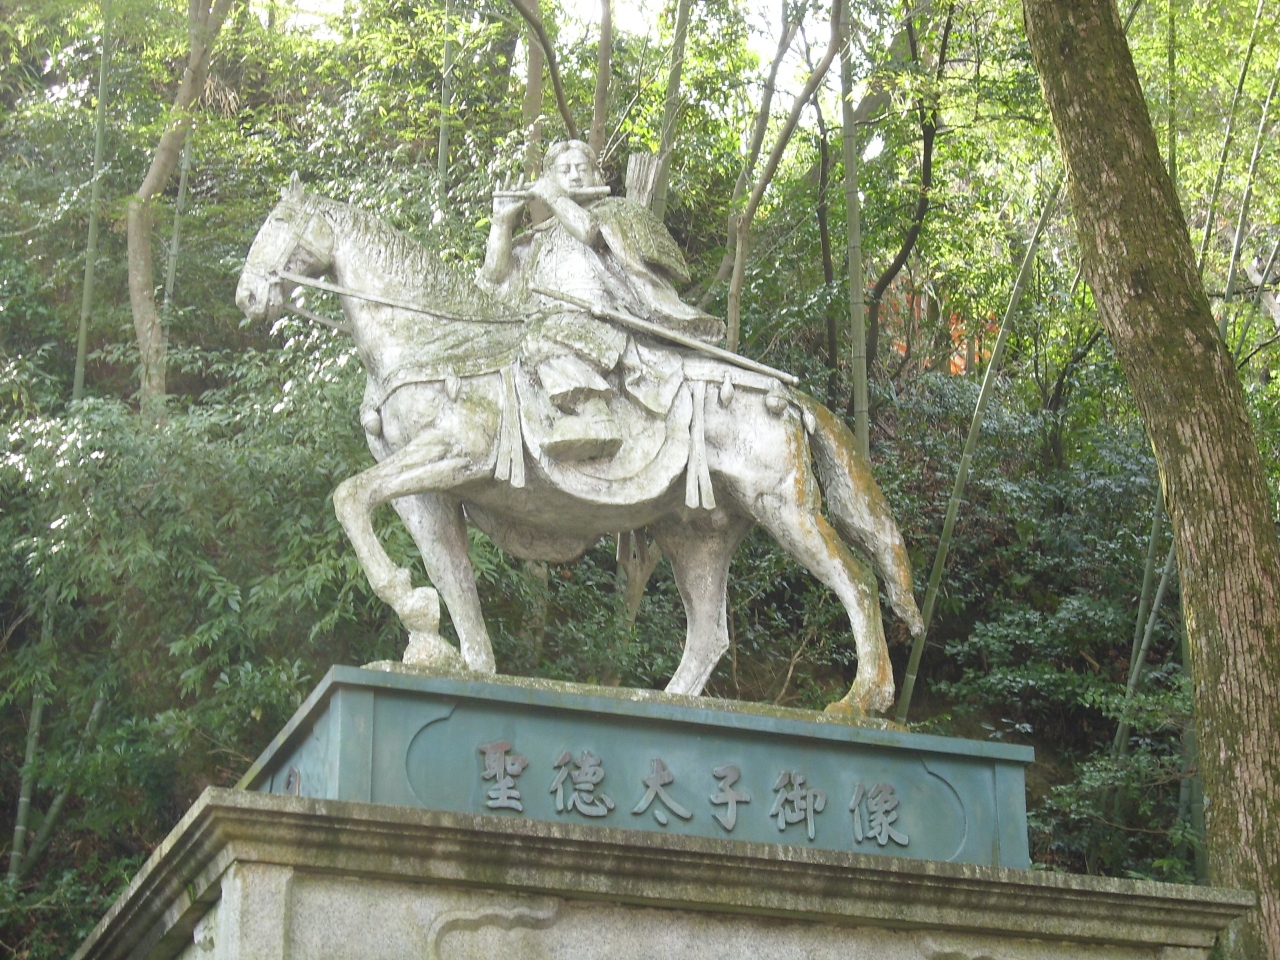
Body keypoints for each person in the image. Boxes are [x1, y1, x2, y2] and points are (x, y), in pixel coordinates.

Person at [479, 140, 723, 461]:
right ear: (550, 178)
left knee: (539, 337)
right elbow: (495, 278)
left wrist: (554, 197)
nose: (574, 176)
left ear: (597, 175)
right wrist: (501, 224)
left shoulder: (614, 213)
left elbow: (589, 231)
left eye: (581, 169)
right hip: (549, 321)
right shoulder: (542, 237)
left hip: (598, 324)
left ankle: (594, 418)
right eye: (564, 171)